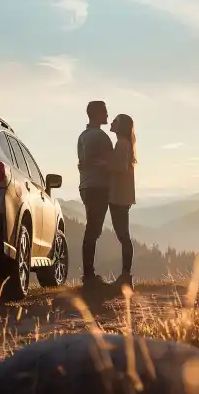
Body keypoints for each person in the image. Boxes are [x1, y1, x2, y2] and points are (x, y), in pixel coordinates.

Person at [77, 100, 113, 289]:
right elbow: (107, 162)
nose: (107, 115)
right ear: (98, 113)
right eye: (105, 112)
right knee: (93, 230)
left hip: (86, 186)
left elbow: (83, 162)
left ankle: (88, 274)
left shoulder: (83, 136)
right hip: (97, 186)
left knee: (93, 229)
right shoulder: (99, 137)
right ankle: (89, 276)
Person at [108, 114, 137, 290]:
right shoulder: (125, 143)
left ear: (122, 126)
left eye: (116, 121)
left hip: (119, 196)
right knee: (123, 235)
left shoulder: (122, 144)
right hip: (122, 196)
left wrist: (101, 163)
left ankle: (126, 276)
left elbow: (119, 167)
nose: (112, 122)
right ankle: (126, 275)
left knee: (123, 235)